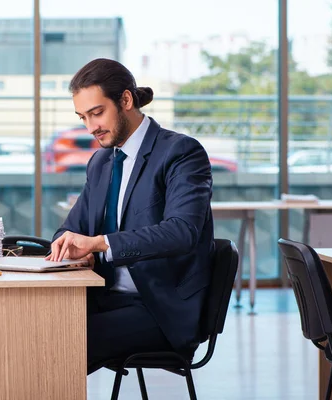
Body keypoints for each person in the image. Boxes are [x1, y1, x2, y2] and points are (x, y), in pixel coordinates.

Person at [47, 58, 215, 374]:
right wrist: (73, 250)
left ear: (125, 100)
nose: (90, 127)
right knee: (30, 326)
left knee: (59, 340)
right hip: (107, 297)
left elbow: (182, 231)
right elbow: (69, 230)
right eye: (83, 117)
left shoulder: (181, 152)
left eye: (97, 113)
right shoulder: (100, 163)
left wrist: (99, 244)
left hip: (160, 311)